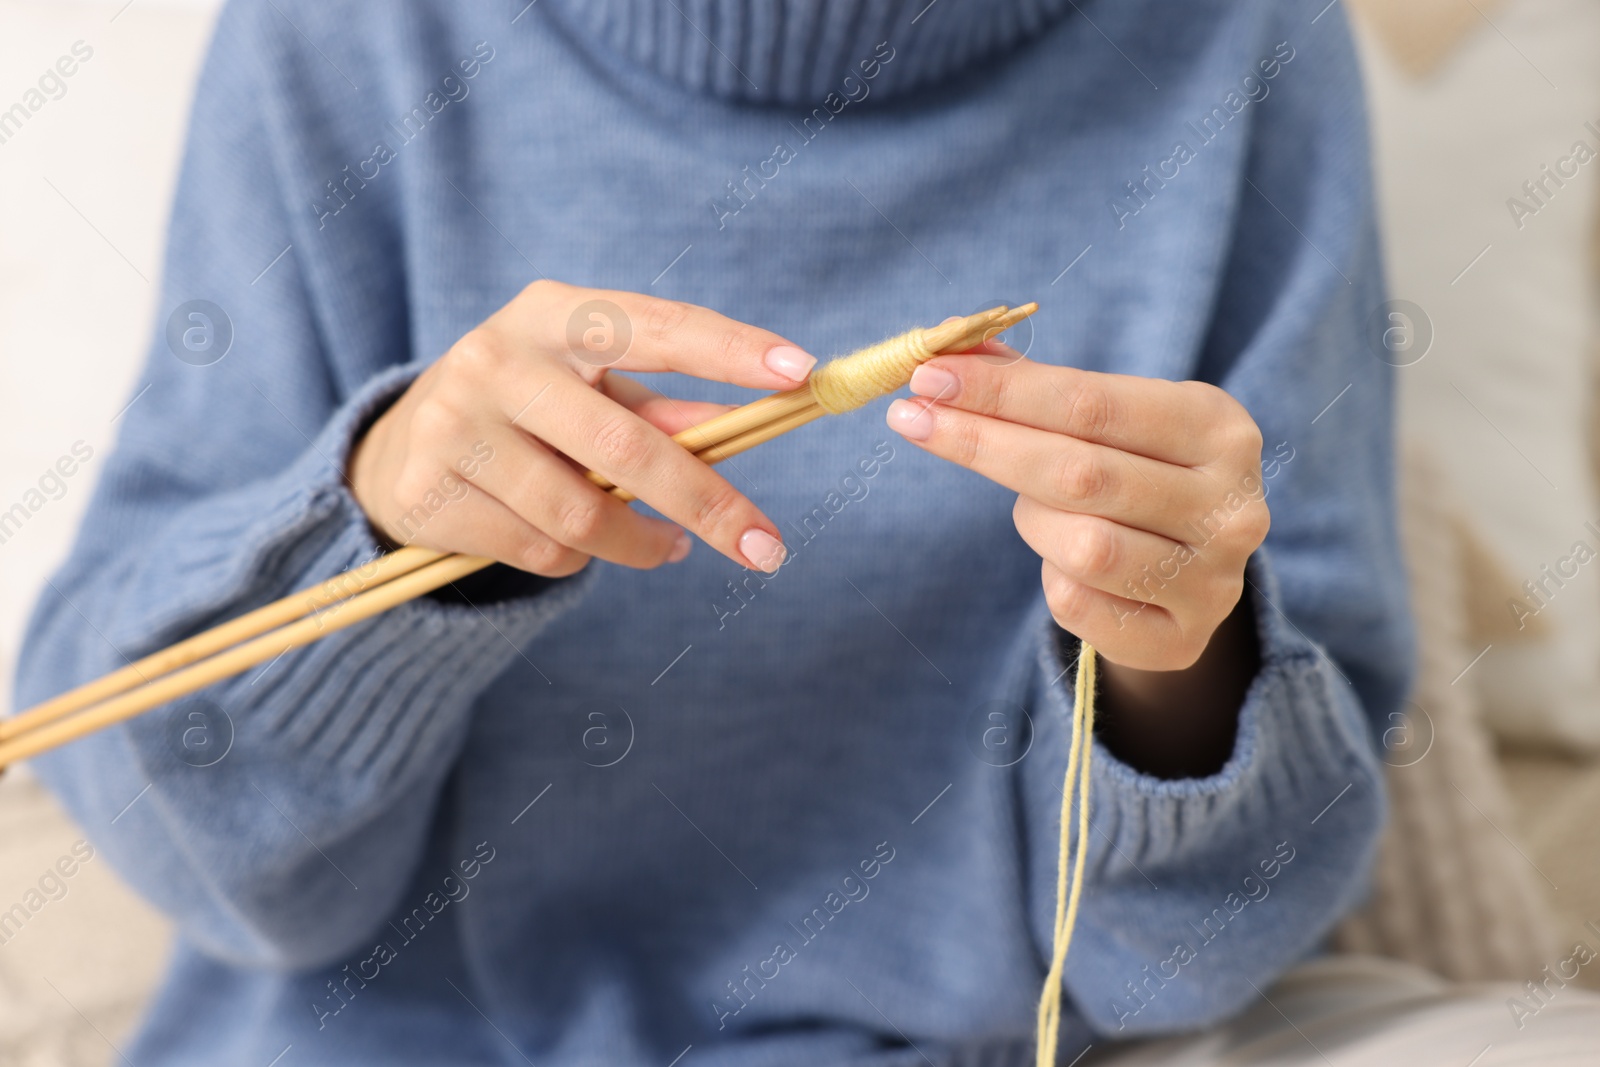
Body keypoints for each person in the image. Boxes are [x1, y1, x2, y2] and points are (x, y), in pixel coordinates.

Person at [17, 1, 1598, 1064]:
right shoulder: (341, 38)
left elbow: (1216, 935)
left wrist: (1181, 664)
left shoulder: (1245, 41)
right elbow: (180, 833)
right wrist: (389, 524)